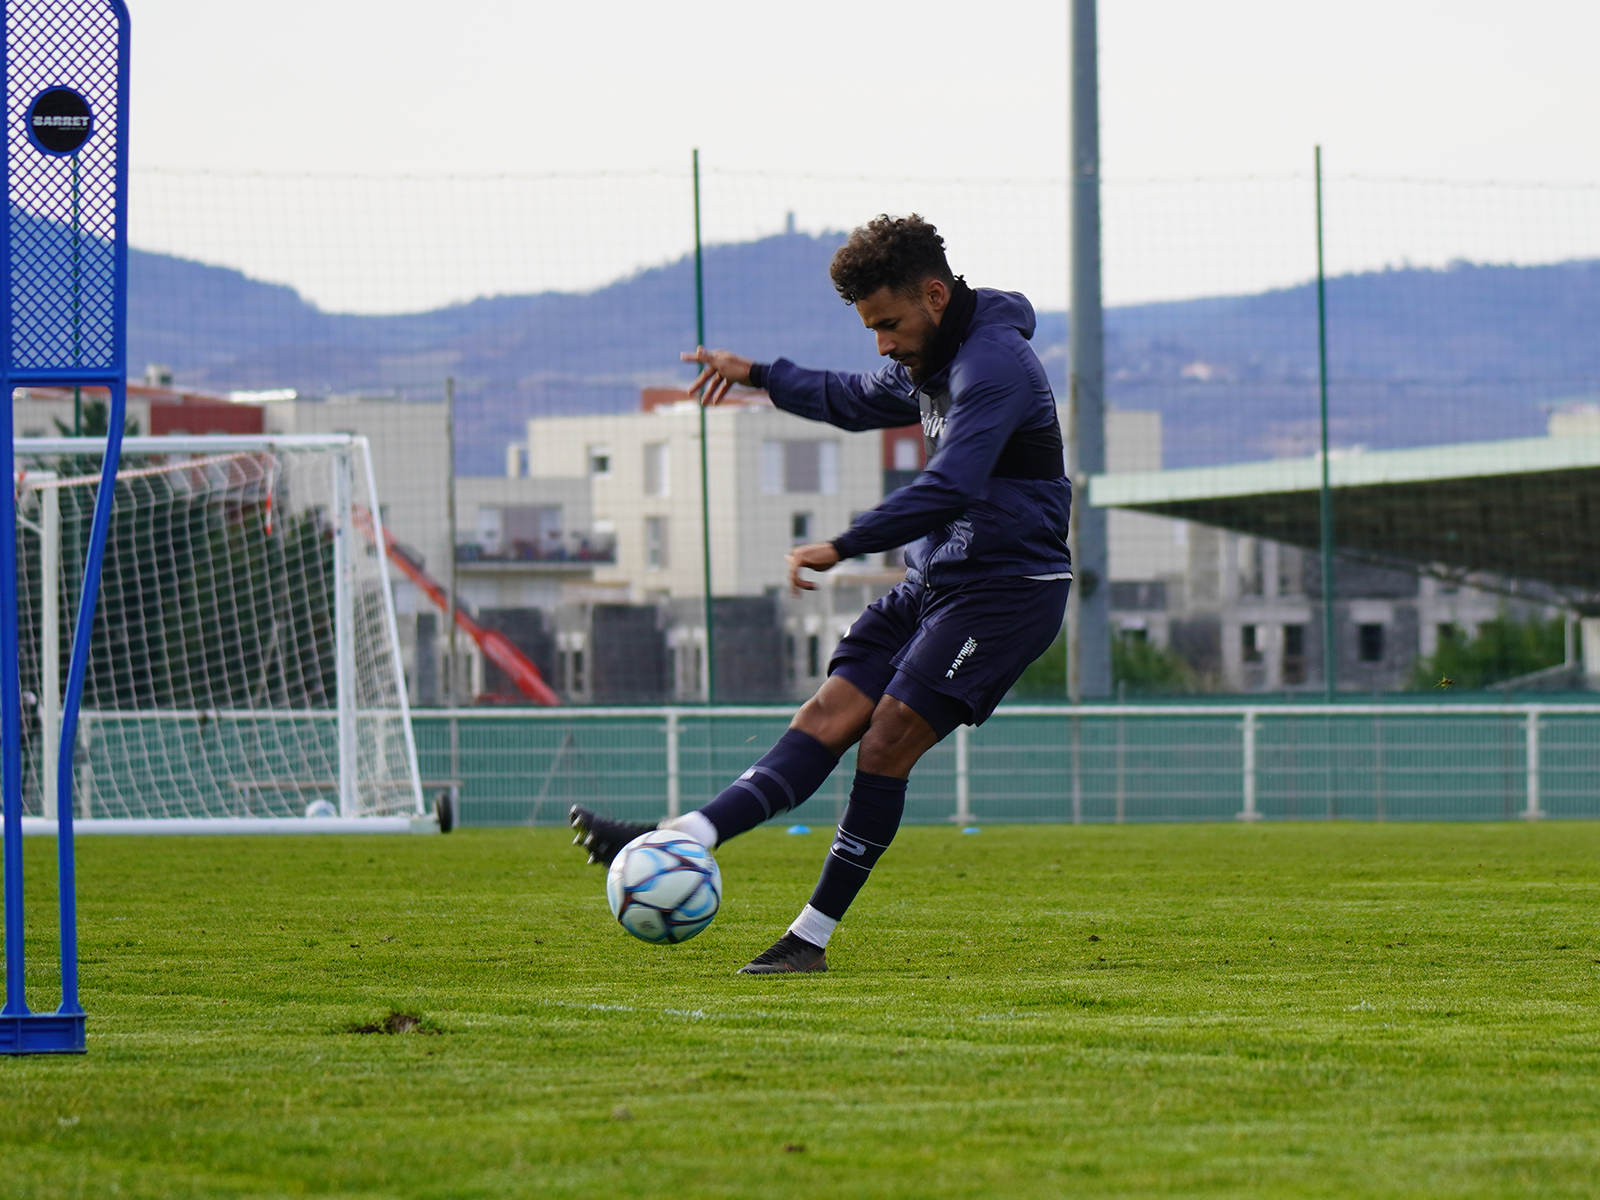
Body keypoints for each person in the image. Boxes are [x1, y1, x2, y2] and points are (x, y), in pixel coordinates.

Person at [570, 214, 1071, 973]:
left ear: (934, 296)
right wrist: (762, 377)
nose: (883, 344)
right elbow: (852, 396)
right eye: (871, 327)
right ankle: (685, 839)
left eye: (890, 324)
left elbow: (953, 483)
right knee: (829, 713)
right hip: (937, 579)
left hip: (1007, 590)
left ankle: (808, 939)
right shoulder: (931, 356)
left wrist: (843, 543)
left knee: (889, 734)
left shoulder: (993, 366)